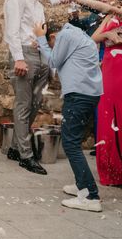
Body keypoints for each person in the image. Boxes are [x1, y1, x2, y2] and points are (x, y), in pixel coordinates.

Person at [33, 19, 103, 212]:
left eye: (51, 43)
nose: (52, 47)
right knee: (74, 140)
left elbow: (53, 61)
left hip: (79, 95)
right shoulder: (76, 34)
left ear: (53, 36)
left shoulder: (64, 35)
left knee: (71, 143)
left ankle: (90, 195)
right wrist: (42, 42)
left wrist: (40, 38)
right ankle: (82, 184)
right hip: (88, 93)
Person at [64, 0, 122, 187]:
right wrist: (77, 0)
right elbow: (94, 37)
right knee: (108, 114)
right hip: (111, 66)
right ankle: (112, 170)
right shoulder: (111, 14)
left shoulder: (116, 12)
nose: (110, 1)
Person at [3, 0, 55, 175]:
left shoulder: (39, 5)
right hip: (23, 55)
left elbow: (39, 31)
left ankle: (15, 147)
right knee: (23, 104)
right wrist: (18, 58)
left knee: (36, 102)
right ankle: (26, 156)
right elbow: (12, 30)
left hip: (39, 55)